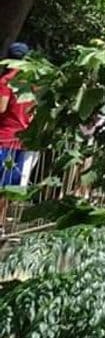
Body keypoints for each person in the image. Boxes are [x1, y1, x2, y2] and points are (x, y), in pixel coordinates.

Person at [0, 42, 36, 230]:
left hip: (4, 136)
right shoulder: (31, 83)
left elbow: (1, 108)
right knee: (10, 184)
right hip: (23, 139)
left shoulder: (6, 81)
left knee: (1, 180)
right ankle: (2, 219)